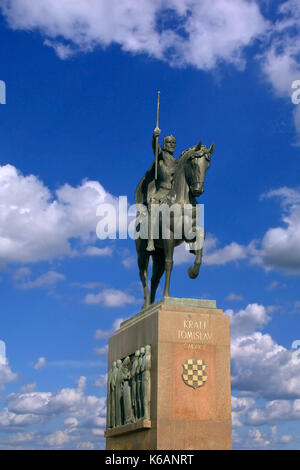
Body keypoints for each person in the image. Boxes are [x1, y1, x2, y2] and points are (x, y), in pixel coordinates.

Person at [147, 128, 177, 252]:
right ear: (164, 145)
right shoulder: (161, 157)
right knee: (153, 206)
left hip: (175, 192)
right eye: (169, 142)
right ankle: (150, 241)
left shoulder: (178, 162)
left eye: (173, 143)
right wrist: (155, 137)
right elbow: (155, 147)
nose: (172, 145)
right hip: (162, 191)